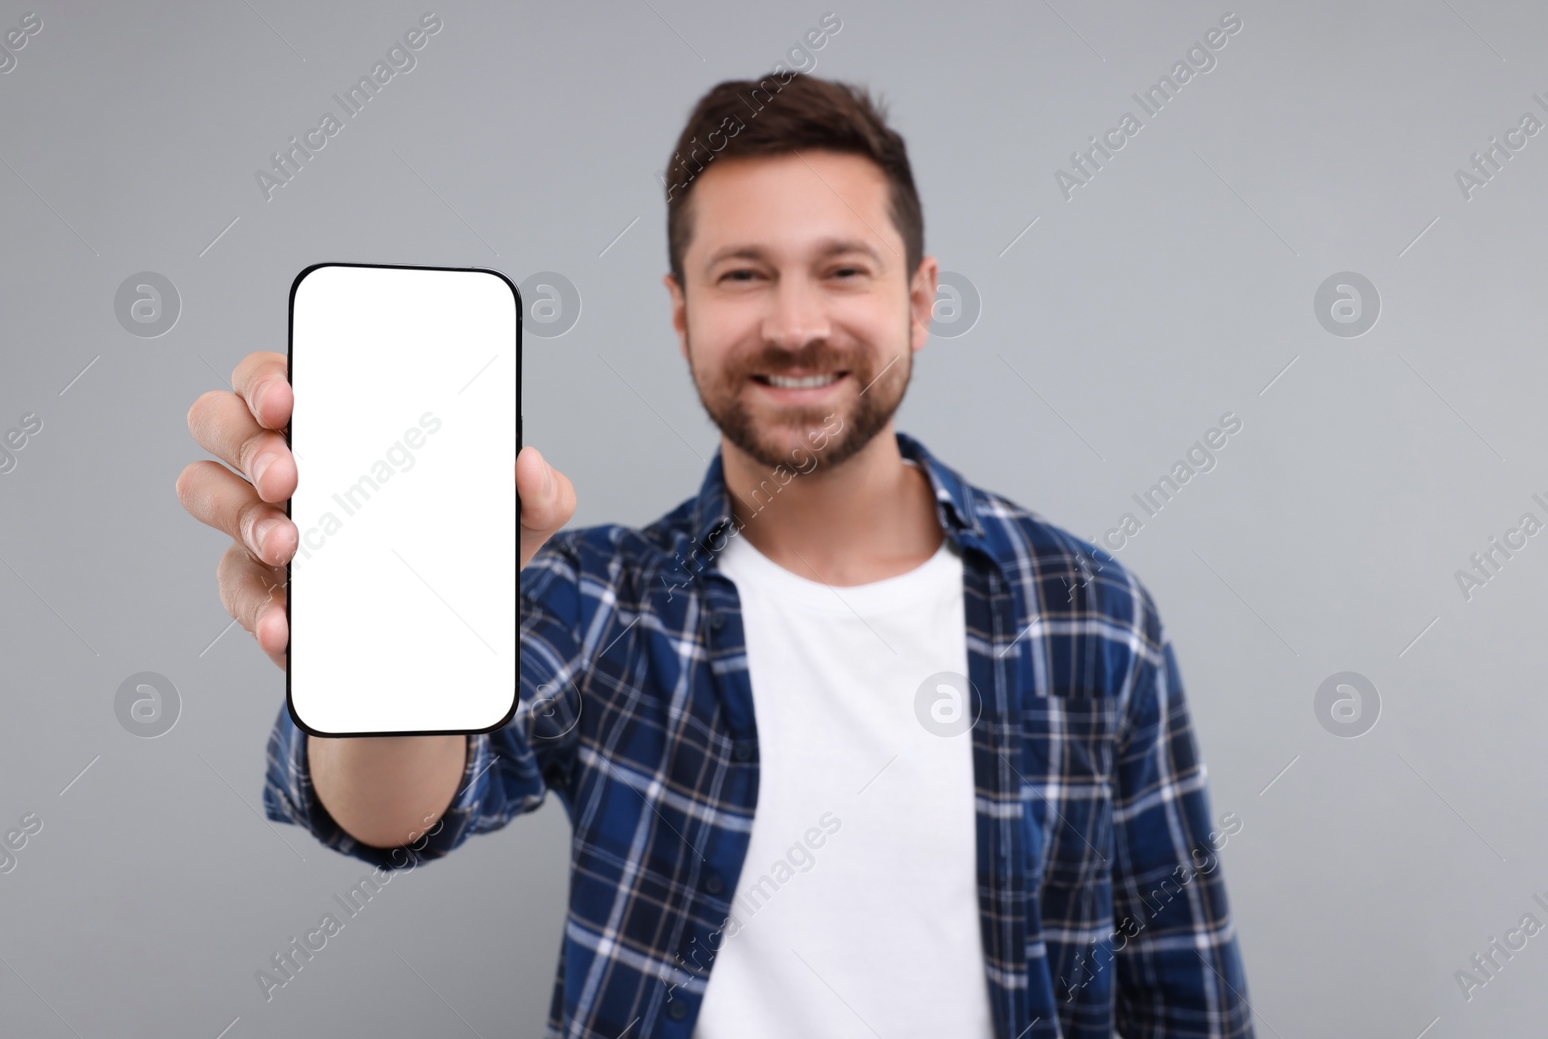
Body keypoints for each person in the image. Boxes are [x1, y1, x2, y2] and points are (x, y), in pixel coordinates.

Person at [178, 72, 1253, 1038]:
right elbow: (391, 818)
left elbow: (1184, 991)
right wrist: (391, 612)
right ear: (681, 311)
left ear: (917, 301)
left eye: (841, 269)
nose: (795, 324)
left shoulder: (1088, 614)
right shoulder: (601, 600)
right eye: (743, 275)